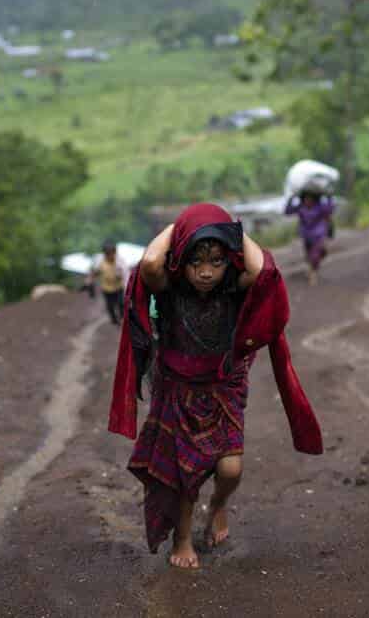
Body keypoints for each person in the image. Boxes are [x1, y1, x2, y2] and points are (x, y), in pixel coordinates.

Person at [109, 203, 323, 569]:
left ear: (229, 261)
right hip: (178, 391)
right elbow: (150, 263)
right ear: (181, 260)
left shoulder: (234, 289)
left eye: (216, 261)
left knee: (230, 470)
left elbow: (263, 270)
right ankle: (182, 538)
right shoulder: (170, 289)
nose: (206, 272)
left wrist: (231, 229)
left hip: (224, 389)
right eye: (196, 262)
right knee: (185, 475)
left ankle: (219, 504)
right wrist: (179, 226)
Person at [285, 191, 336, 285]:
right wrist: (291, 199)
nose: (308, 200)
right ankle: (312, 268)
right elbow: (287, 212)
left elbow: (331, 209)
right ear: (303, 199)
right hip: (306, 236)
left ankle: (313, 273)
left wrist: (330, 197)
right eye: (306, 198)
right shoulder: (301, 208)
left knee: (315, 255)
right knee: (309, 256)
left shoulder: (320, 207)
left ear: (314, 198)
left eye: (310, 198)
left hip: (318, 235)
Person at [87, 241, 128, 325]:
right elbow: (94, 272)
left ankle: (122, 318)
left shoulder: (119, 261)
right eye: (108, 254)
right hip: (106, 289)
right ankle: (114, 320)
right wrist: (90, 280)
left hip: (118, 287)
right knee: (110, 305)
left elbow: (126, 274)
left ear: (115, 253)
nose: (110, 256)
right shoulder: (100, 261)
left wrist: (121, 277)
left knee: (121, 303)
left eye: (112, 254)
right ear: (105, 254)